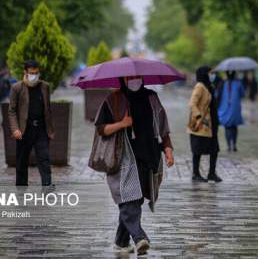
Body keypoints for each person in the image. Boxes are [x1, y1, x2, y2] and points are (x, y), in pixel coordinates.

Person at [94, 75, 174, 255]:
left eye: (137, 76)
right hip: (123, 159)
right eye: (130, 77)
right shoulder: (113, 99)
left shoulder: (152, 97)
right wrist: (121, 124)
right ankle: (140, 238)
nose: (134, 80)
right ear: (123, 78)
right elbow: (101, 128)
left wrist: (168, 149)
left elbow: (163, 127)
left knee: (135, 199)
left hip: (149, 156)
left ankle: (121, 242)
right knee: (128, 199)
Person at [8, 60, 55, 189]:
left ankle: (47, 185)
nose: (34, 75)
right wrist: (15, 129)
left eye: (36, 73)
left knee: (44, 158)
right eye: (31, 73)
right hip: (24, 130)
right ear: (25, 72)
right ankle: (21, 188)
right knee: (22, 161)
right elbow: (11, 110)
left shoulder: (44, 86)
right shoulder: (17, 88)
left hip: (41, 129)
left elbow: (48, 109)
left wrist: (50, 130)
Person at [187, 66, 222, 183]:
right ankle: (195, 174)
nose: (212, 75)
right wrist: (198, 116)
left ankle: (211, 173)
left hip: (211, 125)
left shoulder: (209, 86)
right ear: (204, 74)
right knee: (197, 150)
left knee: (214, 149)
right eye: (210, 73)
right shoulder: (200, 86)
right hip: (201, 125)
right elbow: (192, 103)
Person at [217, 71, 245, 151]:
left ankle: (229, 145)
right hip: (235, 108)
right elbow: (243, 94)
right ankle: (234, 145)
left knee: (227, 127)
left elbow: (217, 94)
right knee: (234, 126)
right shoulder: (238, 83)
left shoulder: (222, 84)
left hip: (224, 108)